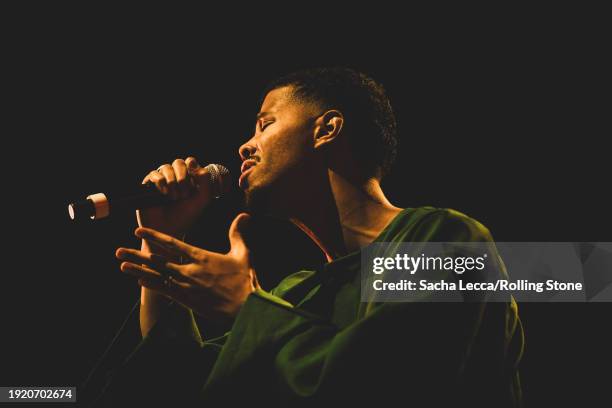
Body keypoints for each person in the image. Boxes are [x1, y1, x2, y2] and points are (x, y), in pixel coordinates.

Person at [91, 67, 523, 407]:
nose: (245, 144)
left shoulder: (443, 238)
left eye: (265, 124)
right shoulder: (294, 294)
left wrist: (247, 309)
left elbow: (391, 386)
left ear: (326, 129)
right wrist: (161, 240)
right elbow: (177, 388)